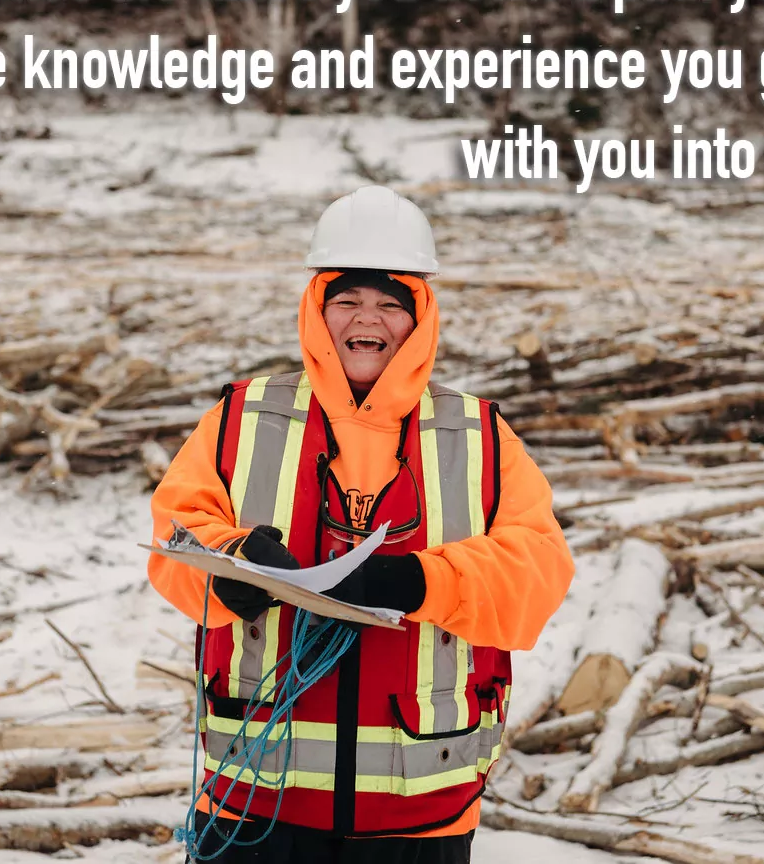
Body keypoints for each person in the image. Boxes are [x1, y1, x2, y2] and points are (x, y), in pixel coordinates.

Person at [147, 185, 574, 863]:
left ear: (419, 316)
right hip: (252, 800)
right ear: (318, 310)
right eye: (346, 300)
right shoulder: (241, 417)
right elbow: (176, 535)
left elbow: (539, 568)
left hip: (421, 811)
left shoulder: (480, 435)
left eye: (390, 304)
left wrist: (420, 582)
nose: (366, 318)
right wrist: (233, 565)